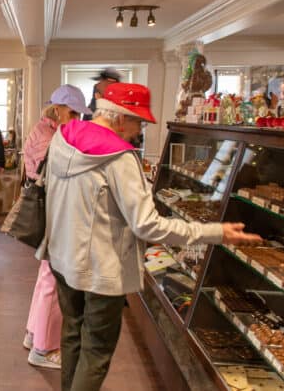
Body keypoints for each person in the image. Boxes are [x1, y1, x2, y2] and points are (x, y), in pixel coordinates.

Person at [39, 82, 262, 391]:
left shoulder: (63, 138)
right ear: (119, 118)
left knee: (73, 335)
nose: (139, 130)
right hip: (102, 270)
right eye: (138, 121)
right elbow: (148, 225)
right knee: (97, 350)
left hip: (63, 259)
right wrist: (213, 232)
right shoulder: (119, 157)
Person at [22, 84, 91, 369]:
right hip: (56, 213)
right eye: (72, 112)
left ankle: (33, 334)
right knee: (54, 279)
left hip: (52, 211)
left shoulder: (47, 131)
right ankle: (44, 348)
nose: (77, 119)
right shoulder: (51, 138)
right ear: (58, 109)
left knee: (46, 277)